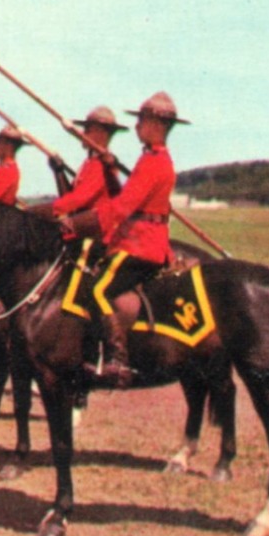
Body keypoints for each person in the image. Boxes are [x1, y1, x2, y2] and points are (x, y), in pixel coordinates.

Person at [61, 92, 186, 387]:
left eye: (142, 120)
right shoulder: (152, 159)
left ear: (156, 124)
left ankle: (118, 359)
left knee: (99, 289)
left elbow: (121, 207)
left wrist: (75, 223)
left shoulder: (154, 162)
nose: (138, 126)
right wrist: (112, 166)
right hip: (137, 241)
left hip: (142, 245)